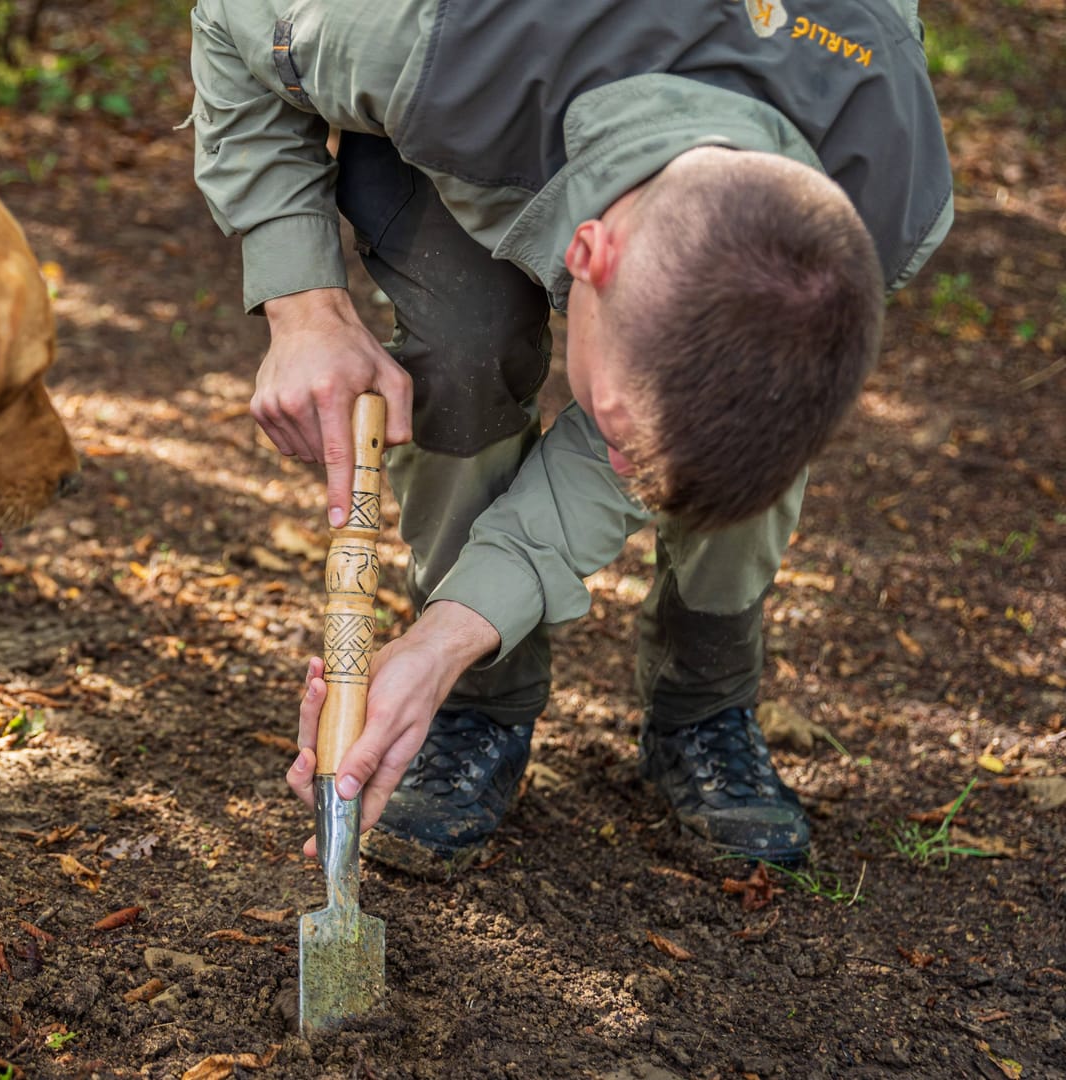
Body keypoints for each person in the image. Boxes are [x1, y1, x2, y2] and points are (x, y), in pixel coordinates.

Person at [190, 0, 951, 867]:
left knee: (747, 429)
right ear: (587, 253)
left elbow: (662, 440)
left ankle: (704, 702)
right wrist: (302, 304)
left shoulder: (888, 186)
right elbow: (230, 20)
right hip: (484, 107)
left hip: (671, 100)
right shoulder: (430, 42)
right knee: (462, 349)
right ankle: (481, 704)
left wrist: (445, 636)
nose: (624, 474)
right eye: (623, 439)